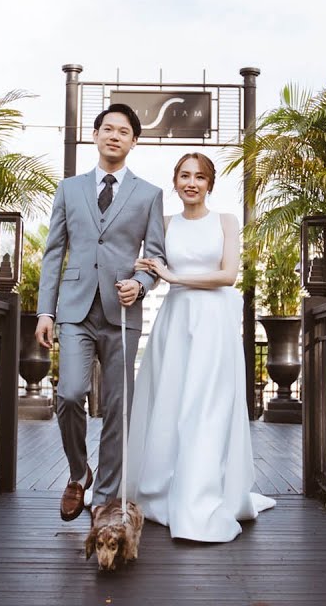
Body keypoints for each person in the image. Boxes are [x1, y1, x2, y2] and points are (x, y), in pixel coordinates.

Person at [126, 152, 275, 542]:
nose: (191, 183)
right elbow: (148, 266)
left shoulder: (226, 221)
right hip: (175, 321)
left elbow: (228, 275)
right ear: (175, 181)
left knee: (206, 406)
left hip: (213, 322)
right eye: (185, 176)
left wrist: (174, 276)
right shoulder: (164, 223)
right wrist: (140, 273)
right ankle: (162, 490)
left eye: (200, 177)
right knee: (170, 403)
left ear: (210, 183)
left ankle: (201, 496)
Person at [35, 103, 166, 521]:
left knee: (117, 406)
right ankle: (79, 473)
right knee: (69, 394)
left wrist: (140, 285)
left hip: (122, 314)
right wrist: (45, 312)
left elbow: (156, 256)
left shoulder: (149, 195)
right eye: (107, 129)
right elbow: (53, 253)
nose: (114, 136)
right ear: (95, 136)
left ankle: (105, 497)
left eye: (123, 131)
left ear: (134, 141)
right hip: (75, 310)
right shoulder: (69, 189)